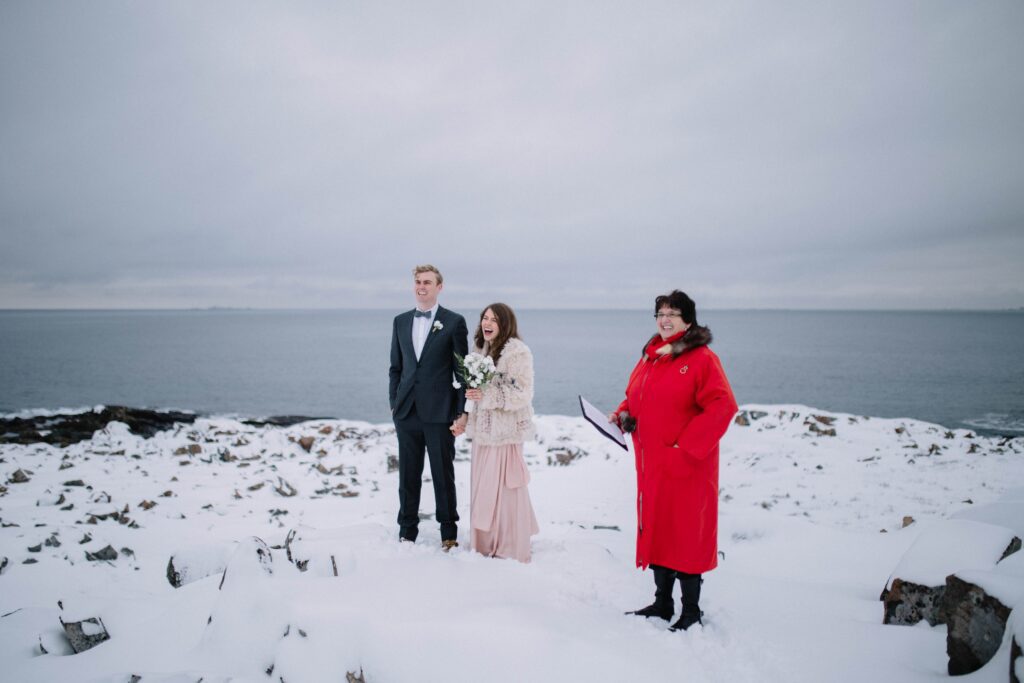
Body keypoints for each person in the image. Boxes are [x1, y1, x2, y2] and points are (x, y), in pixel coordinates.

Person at [610, 290, 737, 631]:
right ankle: (663, 602)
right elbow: (635, 396)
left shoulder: (701, 358)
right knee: (658, 528)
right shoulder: (651, 356)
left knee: (686, 535)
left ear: (688, 320)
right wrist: (622, 414)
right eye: (660, 313)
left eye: (672, 313)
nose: (664, 319)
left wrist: (685, 448)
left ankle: (691, 611)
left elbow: (722, 406)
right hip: (652, 464)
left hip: (687, 467)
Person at [389, 265, 469, 550]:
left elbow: (463, 372)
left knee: (442, 476)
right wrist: (393, 403)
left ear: (439, 287)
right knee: (407, 476)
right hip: (406, 412)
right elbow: (395, 368)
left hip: (440, 413)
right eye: (417, 282)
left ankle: (449, 533)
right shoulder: (399, 322)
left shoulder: (454, 322)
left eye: (427, 282)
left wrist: (463, 411)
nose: (421, 286)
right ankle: (406, 531)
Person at [456, 303, 539, 562]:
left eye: (494, 319)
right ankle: (485, 543)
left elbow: (524, 393)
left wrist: (488, 395)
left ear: (505, 324)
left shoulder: (518, 353)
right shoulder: (480, 350)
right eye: (485, 317)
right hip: (483, 433)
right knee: (483, 488)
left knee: (505, 489)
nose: (487, 323)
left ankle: (509, 545)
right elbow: (476, 393)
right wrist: (466, 414)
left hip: (506, 434)